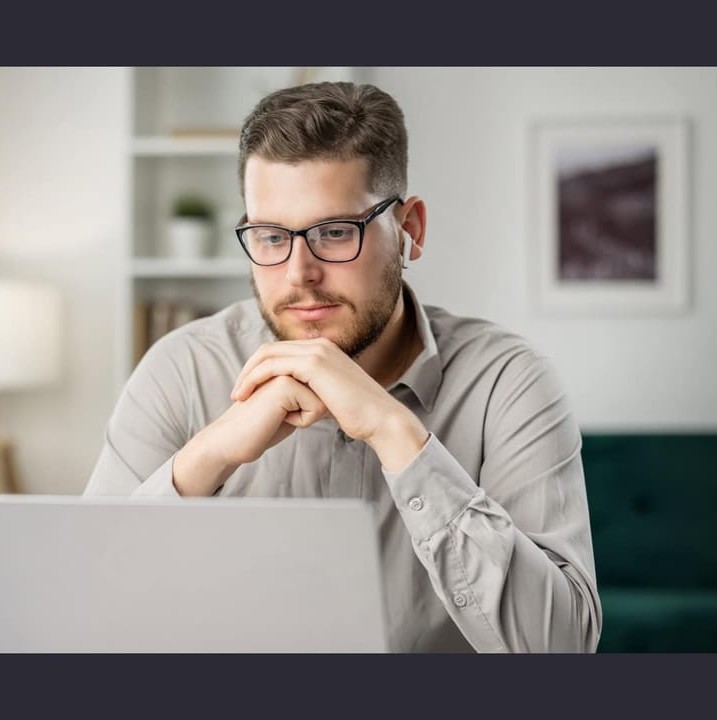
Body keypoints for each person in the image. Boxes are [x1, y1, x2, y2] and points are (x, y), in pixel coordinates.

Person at [83, 81, 601, 653]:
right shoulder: (181, 369)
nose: (299, 273)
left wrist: (396, 433)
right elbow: (85, 613)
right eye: (270, 236)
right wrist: (208, 458)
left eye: (334, 232)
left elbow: (562, 649)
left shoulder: (508, 381)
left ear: (411, 231)